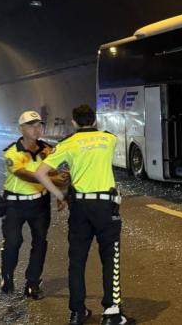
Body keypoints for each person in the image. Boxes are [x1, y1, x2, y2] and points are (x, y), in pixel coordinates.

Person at [33, 105, 135, 325]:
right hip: (106, 207)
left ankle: (77, 312)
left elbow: (40, 172)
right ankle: (112, 313)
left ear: (73, 122)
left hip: (79, 207)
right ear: (95, 120)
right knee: (110, 258)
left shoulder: (67, 143)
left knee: (77, 260)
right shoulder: (108, 139)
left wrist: (60, 194)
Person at [0, 111, 68, 298]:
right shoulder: (12, 151)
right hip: (15, 204)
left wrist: (61, 194)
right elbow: (23, 174)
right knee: (13, 242)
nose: (36, 129)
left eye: (39, 125)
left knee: (40, 242)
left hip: (40, 204)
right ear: (21, 129)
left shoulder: (47, 150)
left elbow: (63, 172)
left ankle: (32, 283)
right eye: (31, 125)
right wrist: (52, 177)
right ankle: (7, 275)